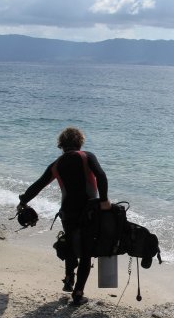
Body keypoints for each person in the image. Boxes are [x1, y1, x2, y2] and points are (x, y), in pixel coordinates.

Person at [17, 127, 111, 305]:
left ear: (61, 145)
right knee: (86, 252)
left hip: (67, 212)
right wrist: (105, 200)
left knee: (70, 243)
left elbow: (38, 185)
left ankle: (69, 278)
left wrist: (23, 201)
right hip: (89, 211)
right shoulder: (87, 156)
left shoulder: (56, 164)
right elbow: (101, 176)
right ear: (80, 142)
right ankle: (78, 293)